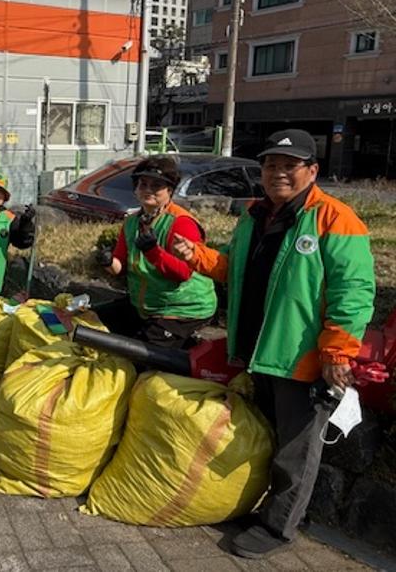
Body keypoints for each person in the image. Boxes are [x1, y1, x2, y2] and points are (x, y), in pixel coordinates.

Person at [172, 129, 375, 559]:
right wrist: (199, 257)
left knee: (295, 453)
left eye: (289, 165)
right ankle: (261, 509)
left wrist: (337, 353)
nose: (277, 173)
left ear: (312, 171)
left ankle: (279, 529)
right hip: (258, 352)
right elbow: (237, 270)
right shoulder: (254, 215)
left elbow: (353, 292)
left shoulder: (336, 219)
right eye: (270, 165)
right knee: (264, 438)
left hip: (300, 359)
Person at [95, 155, 217, 348]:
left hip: (183, 309)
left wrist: (153, 252)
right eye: (143, 184)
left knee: (139, 355)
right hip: (146, 306)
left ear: (170, 190)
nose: (148, 190)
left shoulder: (181, 223)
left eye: (156, 185)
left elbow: (183, 273)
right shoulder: (132, 222)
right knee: (93, 325)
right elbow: (120, 266)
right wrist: (108, 261)